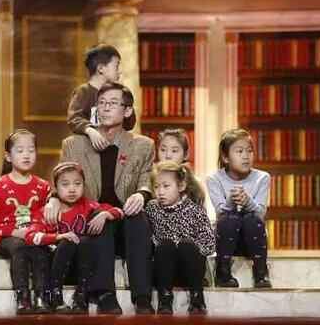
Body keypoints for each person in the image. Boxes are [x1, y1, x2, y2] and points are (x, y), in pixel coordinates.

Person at [51, 82, 155, 314]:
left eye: (113, 103)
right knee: (100, 219)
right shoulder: (74, 144)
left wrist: (141, 193)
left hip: (126, 217)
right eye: (102, 103)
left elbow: (147, 179)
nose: (106, 108)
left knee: (138, 220)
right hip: (93, 218)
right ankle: (105, 295)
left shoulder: (143, 145)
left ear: (127, 110)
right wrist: (53, 198)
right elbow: (60, 179)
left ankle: (142, 297)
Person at [25, 162, 123, 314]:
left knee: (85, 241)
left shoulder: (88, 206)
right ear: (56, 188)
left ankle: (81, 295)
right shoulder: (47, 211)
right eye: (65, 184)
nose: (72, 189)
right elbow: (31, 237)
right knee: (67, 243)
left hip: (82, 267)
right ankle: (55, 294)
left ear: (84, 185)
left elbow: (119, 211)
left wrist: (106, 214)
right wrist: (58, 237)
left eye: (77, 184)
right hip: (55, 266)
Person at [0, 129, 52, 315]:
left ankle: (41, 296)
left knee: (40, 250)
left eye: (31, 150)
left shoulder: (43, 186)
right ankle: (23, 297)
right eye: (20, 151)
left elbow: (47, 219)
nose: (26, 155)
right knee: (20, 247)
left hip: (34, 236)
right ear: (8, 156)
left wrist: (34, 231)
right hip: (8, 239)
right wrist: (15, 232)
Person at [146, 161, 214, 315]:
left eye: (166, 186)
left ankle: (197, 298)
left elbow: (209, 243)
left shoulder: (195, 210)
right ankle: (165, 299)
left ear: (181, 186)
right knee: (165, 245)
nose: (160, 192)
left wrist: (188, 248)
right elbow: (147, 238)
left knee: (186, 245)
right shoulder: (151, 208)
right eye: (156, 187)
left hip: (189, 270)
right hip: (163, 270)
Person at [206, 128, 272, 288]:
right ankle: (222, 272)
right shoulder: (214, 179)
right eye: (239, 151)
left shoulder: (262, 177)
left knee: (251, 219)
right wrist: (231, 201)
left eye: (249, 151)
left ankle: (261, 272)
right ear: (225, 157)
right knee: (229, 219)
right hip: (227, 241)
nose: (246, 156)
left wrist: (247, 201)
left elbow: (260, 213)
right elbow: (220, 213)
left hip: (253, 240)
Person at [67, 43, 136, 151]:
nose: (119, 71)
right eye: (116, 66)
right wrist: (90, 130)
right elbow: (74, 118)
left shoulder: (118, 93)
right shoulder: (83, 92)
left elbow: (130, 124)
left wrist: (123, 95)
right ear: (101, 69)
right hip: (89, 150)